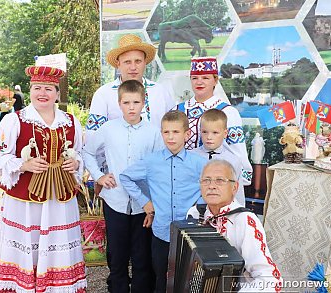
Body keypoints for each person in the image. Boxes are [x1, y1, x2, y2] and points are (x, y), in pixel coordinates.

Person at [0, 64, 87, 292]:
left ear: (57, 93)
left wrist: (76, 162)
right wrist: (24, 164)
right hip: (25, 203)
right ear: (30, 91)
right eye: (37, 87)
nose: (42, 93)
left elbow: (80, 152)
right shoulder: (15, 121)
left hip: (59, 200)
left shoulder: (70, 121)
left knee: (57, 247)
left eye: (49, 89)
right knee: (28, 247)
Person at [87, 33, 176, 290]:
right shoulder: (104, 94)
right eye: (127, 61)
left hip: (147, 193)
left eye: (138, 60)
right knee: (117, 251)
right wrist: (98, 175)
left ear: (145, 62)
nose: (133, 66)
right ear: (118, 64)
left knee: (145, 254)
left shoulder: (160, 92)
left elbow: (168, 136)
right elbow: (93, 143)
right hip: (116, 187)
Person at [82, 80, 163, 293]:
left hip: (142, 204)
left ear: (144, 103)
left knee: (141, 257)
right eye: (126, 102)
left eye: (136, 102)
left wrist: (153, 203)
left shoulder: (153, 132)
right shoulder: (108, 129)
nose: (131, 107)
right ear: (119, 104)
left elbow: (158, 167)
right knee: (116, 255)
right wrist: (99, 176)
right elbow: (88, 151)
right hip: (115, 200)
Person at [120, 110, 207, 293]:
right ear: (161, 134)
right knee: (161, 277)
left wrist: (198, 211)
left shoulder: (199, 163)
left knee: (190, 279)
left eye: (176, 132)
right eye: (166, 132)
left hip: (190, 232)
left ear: (187, 134)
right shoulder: (151, 161)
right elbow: (126, 177)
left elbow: (206, 187)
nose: (171, 137)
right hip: (162, 232)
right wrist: (145, 202)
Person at [187, 160, 282, 292]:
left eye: (220, 180)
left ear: (235, 187)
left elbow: (270, 280)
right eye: (206, 180)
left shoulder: (245, 221)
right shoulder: (195, 214)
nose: (211, 186)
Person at [175, 57, 252, 191]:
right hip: (182, 182)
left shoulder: (228, 112)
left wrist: (240, 180)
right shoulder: (177, 110)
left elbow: (237, 152)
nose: (199, 82)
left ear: (215, 80)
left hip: (214, 184)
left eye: (205, 78)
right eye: (195, 78)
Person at [193, 109, 248, 206]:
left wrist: (239, 213)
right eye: (205, 132)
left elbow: (238, 193)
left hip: (222, 212)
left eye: (215, 133)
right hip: (194, 212)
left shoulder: (233, 160)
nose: (209, 137)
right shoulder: (191, 156)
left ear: (225, 133)